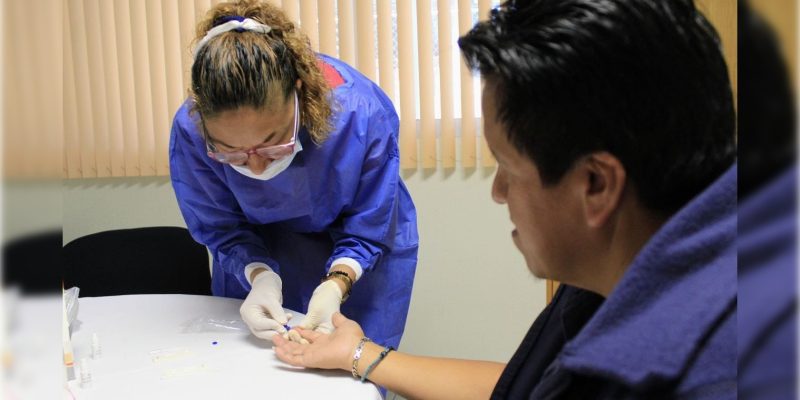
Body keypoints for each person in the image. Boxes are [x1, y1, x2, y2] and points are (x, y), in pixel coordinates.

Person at [271, 0, 737, 398]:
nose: (497, 193)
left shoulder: (701, 370)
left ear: (596, 184)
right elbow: (530, 386)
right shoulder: (648, 247)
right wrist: (359, 355)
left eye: (507, 168)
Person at [169, 0, 418, 352]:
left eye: (271, 145)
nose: (255, 167)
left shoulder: (357, 115)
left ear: (299, 91)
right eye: (231, 152)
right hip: (259, 246)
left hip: (358, 248)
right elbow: (220, 225)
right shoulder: (191, 130)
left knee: (350, 370)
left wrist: (338, 283)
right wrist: (259, 276)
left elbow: (371, 221)